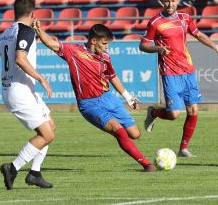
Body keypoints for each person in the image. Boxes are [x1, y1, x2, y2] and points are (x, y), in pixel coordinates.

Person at [33, 23, 156, 172]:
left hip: (108, 98)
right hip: (89, 104)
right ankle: (146, 164)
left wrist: (127, 97)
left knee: (135, 134)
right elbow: (50, 43)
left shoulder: (105, 57)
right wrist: (38, 29)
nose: (106, 47)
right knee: (119, 131)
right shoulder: (73, 51)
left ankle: (135, 149)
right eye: (104, 43)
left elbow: (113, 76)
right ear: (93, 41)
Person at [139, 0, 218, 158]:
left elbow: (199, 35)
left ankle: (183, 148)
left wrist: (216, 46)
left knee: (193, 111)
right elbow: (142, 46)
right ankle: (154, 112)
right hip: (170, 72)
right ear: (161, 1)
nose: (170, 4)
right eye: (167, 1)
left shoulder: (185, 18)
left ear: (178, 1)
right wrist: (158, 48)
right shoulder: (155, 22)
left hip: (188, 70)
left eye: (173, 1)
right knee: (173, 114)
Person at [0, 0, 55, 190]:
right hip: (19, 92)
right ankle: (13, 167)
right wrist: (41, 78)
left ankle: (35, 173)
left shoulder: (6, 33)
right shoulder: (26, 31)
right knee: (47, 135)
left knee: (50, 127)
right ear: (33, 14)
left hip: (20, 90)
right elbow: (20, 58)